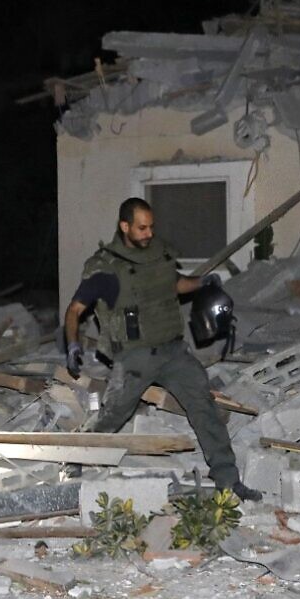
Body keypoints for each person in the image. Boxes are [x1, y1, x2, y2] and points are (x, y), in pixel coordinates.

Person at [64, 197, 262, 502]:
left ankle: (227, 480)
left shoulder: (157, 255)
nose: (148, 234)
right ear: (125, 226)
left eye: (151, 227)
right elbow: (75, 310)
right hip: (135, 356)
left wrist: (201, 282)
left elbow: (173, 284)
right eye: (141, 228)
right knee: (113, 415)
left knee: (203, 406)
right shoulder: (106, 269)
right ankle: (73, 456)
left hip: (172, 351)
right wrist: (73, 343)